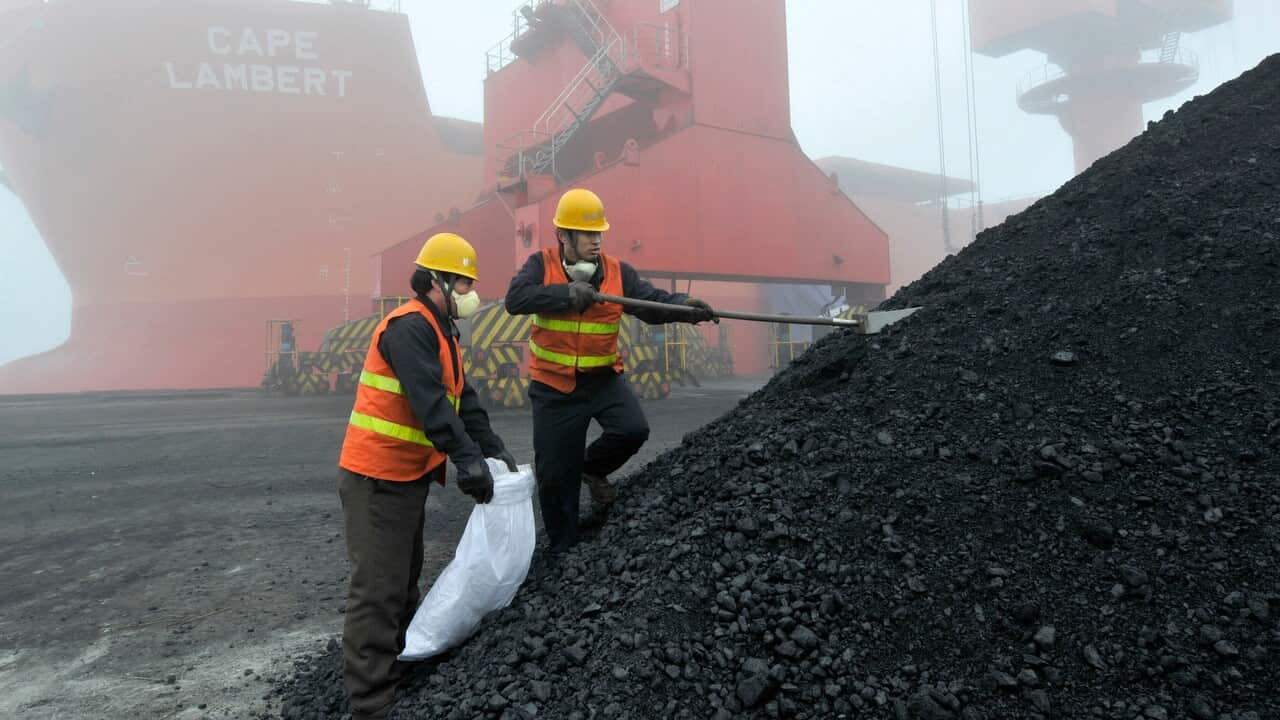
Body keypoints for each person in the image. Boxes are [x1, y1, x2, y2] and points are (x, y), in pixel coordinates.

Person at [336, 232, 517, 720]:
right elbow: (430, 403)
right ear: (435, 281)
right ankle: (371, 704)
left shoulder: (442, 331)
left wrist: (492, 448)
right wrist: (466, 459)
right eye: (463, 282)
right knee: (378, 588)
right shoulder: (410, 328)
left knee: (402, 582)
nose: (470, 292)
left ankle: (394, 670)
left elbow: (463, 397)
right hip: (377, 476)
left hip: (404, 477)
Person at [505, 188, 715, 552]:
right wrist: (566, 295)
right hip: (554, 388)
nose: (596, 241)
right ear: (563, 236)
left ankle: (589, 468)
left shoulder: (619, 272)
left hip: (603, 380)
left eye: (598, 233)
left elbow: (649, 302)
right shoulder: (541, 265)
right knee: (554, 477)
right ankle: (563, 550)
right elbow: (516, 299)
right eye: (587, 234)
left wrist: (684, 307)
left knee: (633, 430)